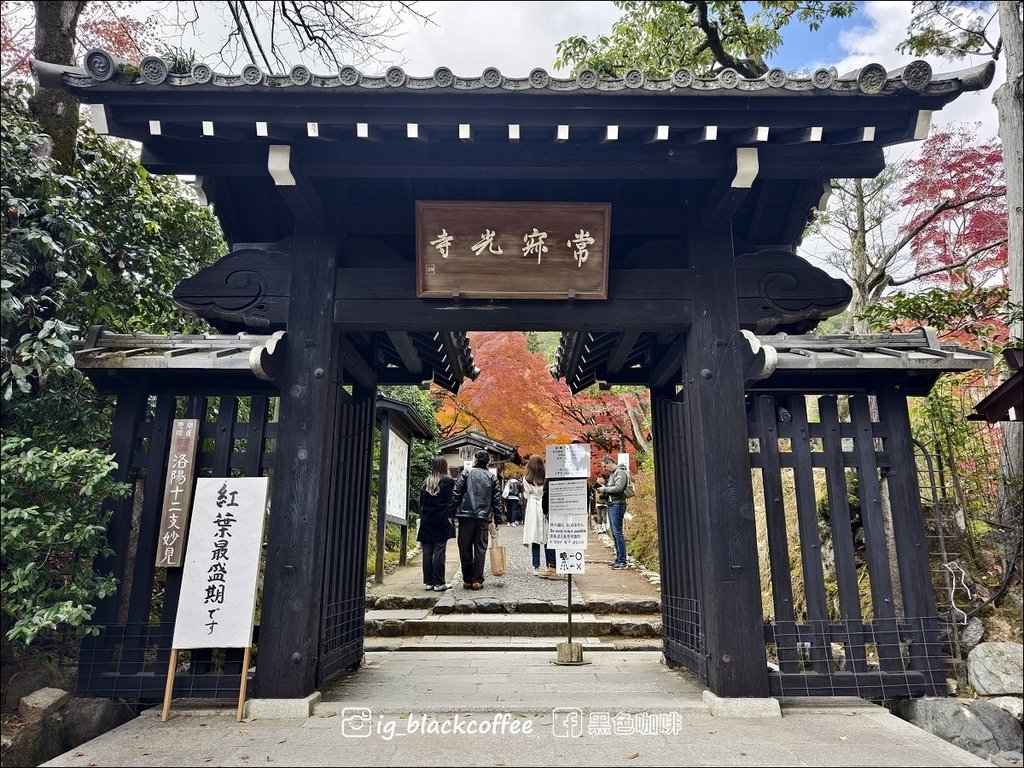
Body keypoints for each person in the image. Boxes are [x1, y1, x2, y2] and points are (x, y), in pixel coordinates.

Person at [448, 449, 502, 590]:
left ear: (475, 460)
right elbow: (496, 500)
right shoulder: (492, 477)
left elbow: (456, 493)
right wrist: (498, 519)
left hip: (465, 516)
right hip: (483, 517)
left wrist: (451, 513)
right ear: (487, 462)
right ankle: (477, 579)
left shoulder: (466, 473)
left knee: (464, 547)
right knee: (480, 548)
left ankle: (467, 579)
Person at [417, 456, 456, 591]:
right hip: (442, 520)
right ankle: (439, 583)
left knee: (427, 552)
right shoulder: (449, 482)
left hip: (427, 520)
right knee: (439, 551)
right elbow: (453, 501)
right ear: (444, 466)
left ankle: (428, 582)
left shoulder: (426, 482)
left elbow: (421, 503)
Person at [521, 454, 558, 579]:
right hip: (545, 505)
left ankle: (536, 566)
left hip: (533, 507)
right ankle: (550, 565)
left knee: (534, 536)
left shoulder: (526, 478)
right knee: (548, 537)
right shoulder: (546, 476)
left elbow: (526, 495)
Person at [597, 455, 629, 570]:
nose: (605, 469)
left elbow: (618, 488)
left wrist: (605, 489)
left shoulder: (620, 472)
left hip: (617, 504)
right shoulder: (613, 474)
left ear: (610, 463)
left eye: (605, 466)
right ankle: (619, 558)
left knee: (617, 532)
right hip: (612, 504)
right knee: (614, 532)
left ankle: (622, 560)